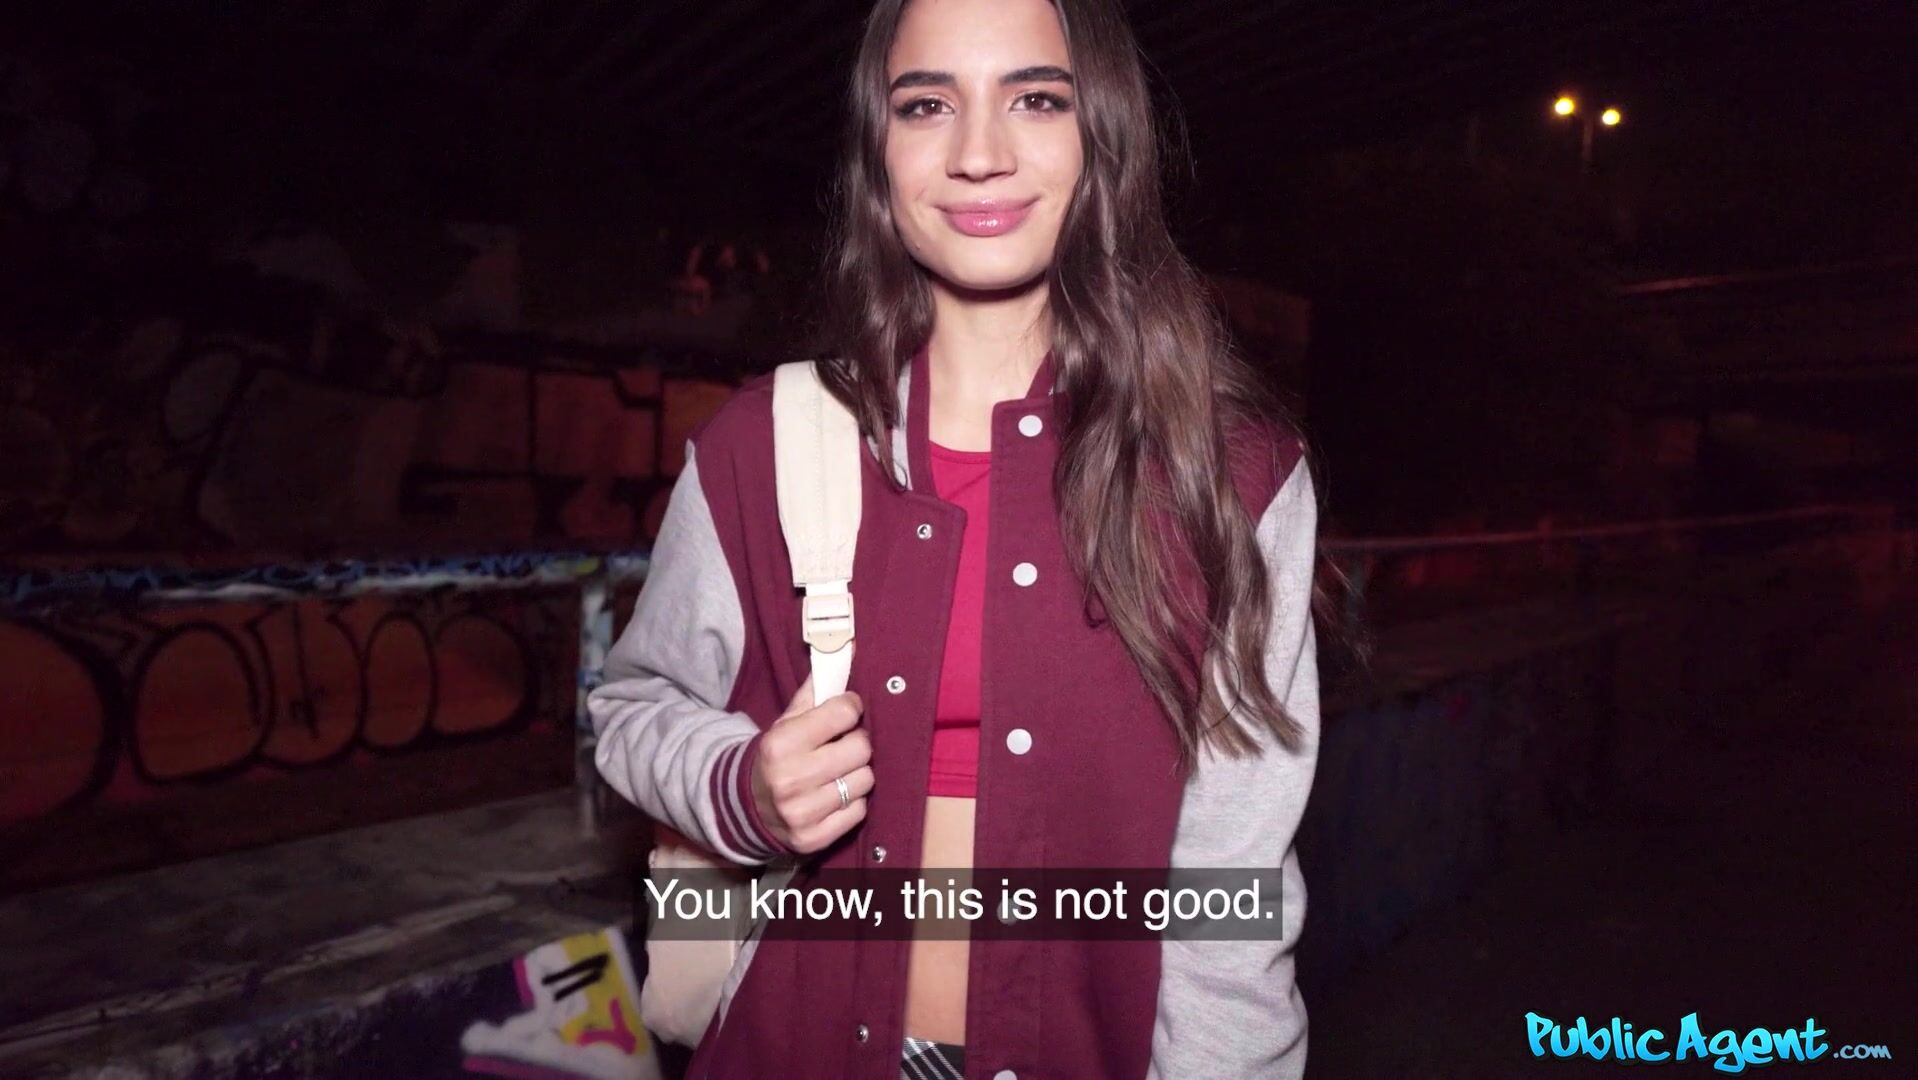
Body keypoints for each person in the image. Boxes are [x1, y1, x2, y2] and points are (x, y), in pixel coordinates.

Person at [590, 0, 1325, 1076]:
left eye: (1037, 100)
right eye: (927, 105)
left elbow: (1234, 884)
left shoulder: (1234, 474)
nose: (979, 153)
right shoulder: (762, 441)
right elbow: (632, 708)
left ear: (1105, 133)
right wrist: (742, 788)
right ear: (877, 150)